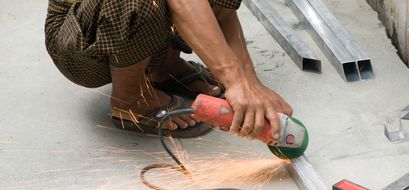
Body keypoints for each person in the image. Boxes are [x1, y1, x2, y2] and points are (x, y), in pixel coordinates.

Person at [45, 0, 293, 140]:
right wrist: (237, 82)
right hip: (80, 42)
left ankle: (164, 66)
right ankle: (131, 100)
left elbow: (222, 9)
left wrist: (250, 82)